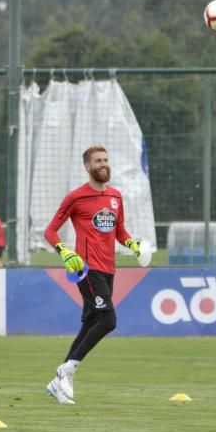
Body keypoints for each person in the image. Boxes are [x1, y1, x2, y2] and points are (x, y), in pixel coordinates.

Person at [43, 145, 143, 404]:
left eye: (106, 159)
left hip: (109, 269)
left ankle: (59, 383)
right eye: (98, 160)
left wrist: (132, 244)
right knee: (108, 320)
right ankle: (67, 370)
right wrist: (64, 251)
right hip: (87, 268)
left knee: (90, 322)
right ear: (87, 166)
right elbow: (50, 231)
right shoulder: (76, 198)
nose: (103, 164)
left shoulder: (116, 197)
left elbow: (119, 230)